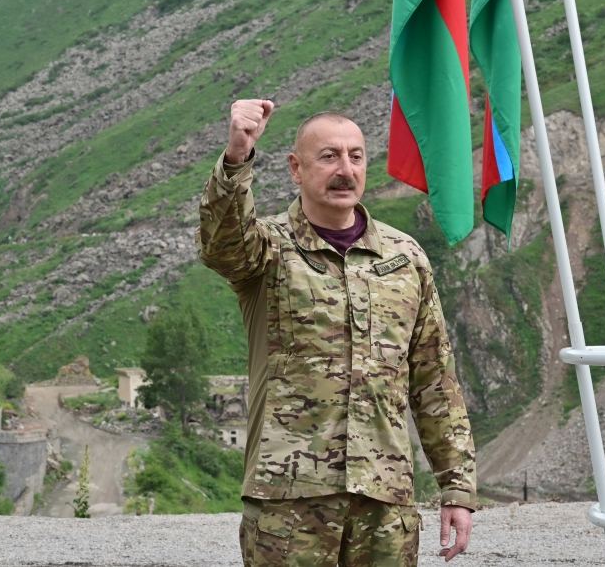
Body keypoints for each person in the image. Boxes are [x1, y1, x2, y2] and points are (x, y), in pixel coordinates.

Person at [198, 99, 476, 566]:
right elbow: (220, 242)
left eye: (355, 156)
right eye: (328, 156)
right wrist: (237, 158)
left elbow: (433, 381)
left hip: (384, 502)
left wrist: (457, 486)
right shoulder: (266, 250)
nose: (345, 169)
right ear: (296, 168)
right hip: (290, 499)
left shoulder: (405, 259)